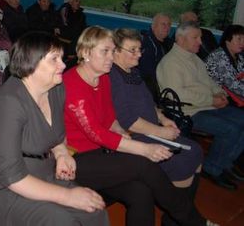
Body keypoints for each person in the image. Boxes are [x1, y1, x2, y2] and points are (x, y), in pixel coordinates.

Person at [63, 26, 214, 226]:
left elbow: (109, 117)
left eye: (112, 50)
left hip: (100, 152)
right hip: (75, 159)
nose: (111, 57)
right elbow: (96, 133)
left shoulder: (103, 78)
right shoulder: (72, 84)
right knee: (144, 164)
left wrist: (119, 130)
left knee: (140, 192)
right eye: (105, 51)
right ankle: (195, 222)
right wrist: (145, 149)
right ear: (85, 53)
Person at [0, 31, 109, 226]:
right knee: (60, 221)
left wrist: (61, 154)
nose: (64, 64)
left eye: (61, 57)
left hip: (42, 174)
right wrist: (67, 196)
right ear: (30, 63)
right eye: (54, 59)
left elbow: (58, 136)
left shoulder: (56, 89)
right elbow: (11, 176)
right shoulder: (7, 104)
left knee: (94, 211)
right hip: (0, 187)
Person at [110, 28, 204, 226]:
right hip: (132, 136)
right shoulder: (113, 77)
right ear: (116, 51)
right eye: (133, 50)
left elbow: (148, 102)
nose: (139, 54)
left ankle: (177, 215)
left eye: (140, 49)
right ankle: (178, 217)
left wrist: (162, 118)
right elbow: (128, 120)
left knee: (196, 151)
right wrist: (161, 131)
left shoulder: (132, 72)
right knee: (183, 159)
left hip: (150, 128)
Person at [157, 21, 244, 190]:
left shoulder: (194, 58)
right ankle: (212, 168)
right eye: (195, 38)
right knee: (230, 129)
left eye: (200, 38)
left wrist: (220, 93)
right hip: (188, 112)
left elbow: (209, 81)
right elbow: (179, 95)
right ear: (181, 39)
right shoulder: (171, 63)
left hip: (206, 105)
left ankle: (225, 161)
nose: (200, 42)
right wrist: (211, 100)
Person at [138, 13, 173, 100]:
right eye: (163, 24)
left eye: (169, 25)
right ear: (153, 26)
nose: (167, 27)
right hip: (155, 90)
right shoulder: (147, 44)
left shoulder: (168, 43)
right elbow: (148, 75)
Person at [205, 24, 244, 99]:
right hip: (219, 96)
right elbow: (232, 85)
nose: (242, 43)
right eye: (239, 39)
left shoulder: (239, 56)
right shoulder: (218, 56)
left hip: (234, 95)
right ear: (227, 40)